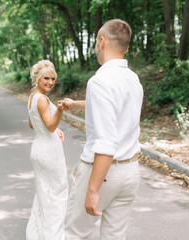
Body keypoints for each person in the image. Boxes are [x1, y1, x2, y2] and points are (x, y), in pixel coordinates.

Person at [62, 19, 144, 240]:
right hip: (130, 171)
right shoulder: (133, 79)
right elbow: (119, 115)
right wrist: (76, 103)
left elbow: (106, 142)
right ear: (126, 48)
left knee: (75, 234)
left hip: (104, 173)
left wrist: (92, 189)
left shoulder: (99, 81)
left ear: (102, 41)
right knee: (114, 236)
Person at [26, 60, 68, 240]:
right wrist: (59, 110)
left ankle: (38, 235)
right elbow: (50, 125)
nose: (50, 82)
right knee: (58, 194)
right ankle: (53, 236)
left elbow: (32, 123)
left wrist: (55, 128)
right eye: (46, 78)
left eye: (53, 78)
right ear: (37, 77)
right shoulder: (42, 99)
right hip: (49, 151)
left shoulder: (33, 97)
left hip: (38, 148)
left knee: (44, 194)